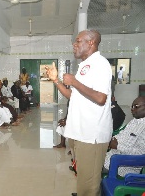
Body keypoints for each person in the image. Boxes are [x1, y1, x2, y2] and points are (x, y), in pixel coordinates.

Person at [46, 29, 112, 196]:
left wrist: (74, 81)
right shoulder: (84, 65)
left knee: (88, 187)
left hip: (92, 136)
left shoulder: (100, 64)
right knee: (82, 178)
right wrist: (56, 80)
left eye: (78, 41)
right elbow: (72, 96)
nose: (74, 45)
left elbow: (100, 98)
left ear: (91, 42)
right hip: (79, 133)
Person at [104, 96, 145, 176]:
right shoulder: (134, 121)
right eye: (132, 107)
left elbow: (141, 154)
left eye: (136, 106)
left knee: (89, 165)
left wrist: (117, 146)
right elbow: (120, 135)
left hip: (121, 166)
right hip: (110, 157)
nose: (132, 109)